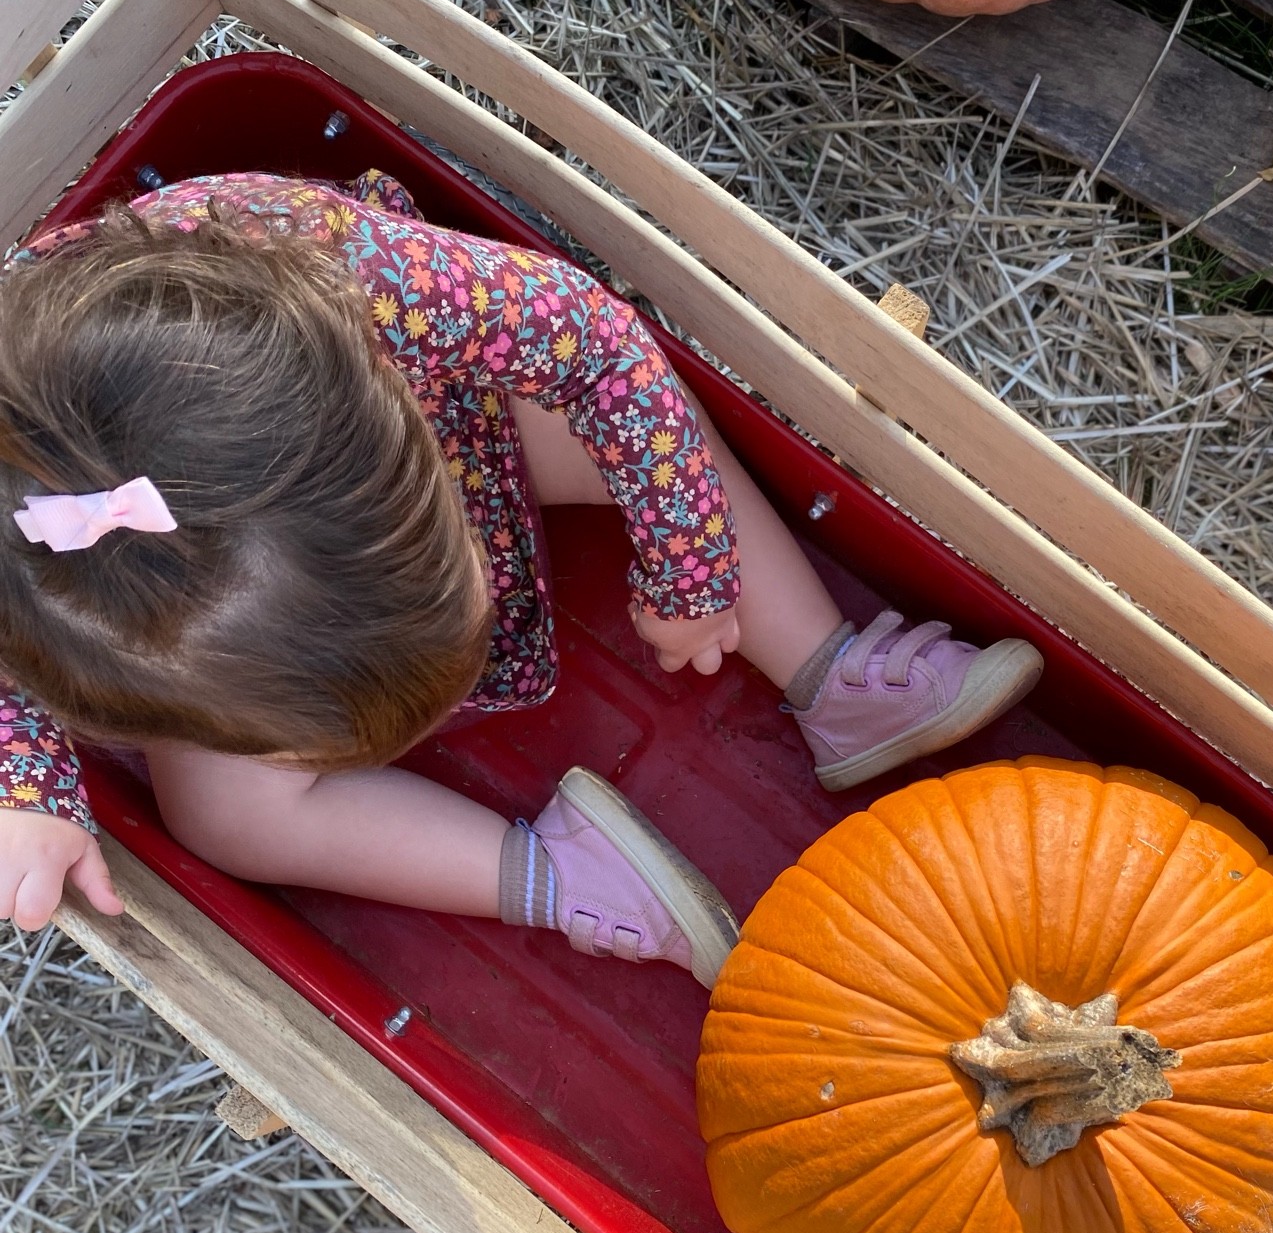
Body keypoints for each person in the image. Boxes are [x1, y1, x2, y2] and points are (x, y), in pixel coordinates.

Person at [0, 171, 1040, 969]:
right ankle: (547, 871)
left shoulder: (345, 274)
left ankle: (826, 667)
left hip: (469, 427)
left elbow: (598, 344)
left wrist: (690, 568)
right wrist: (32, 785)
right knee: (224, 816)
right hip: (199, 637)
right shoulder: (33, 561)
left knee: (624, 430)